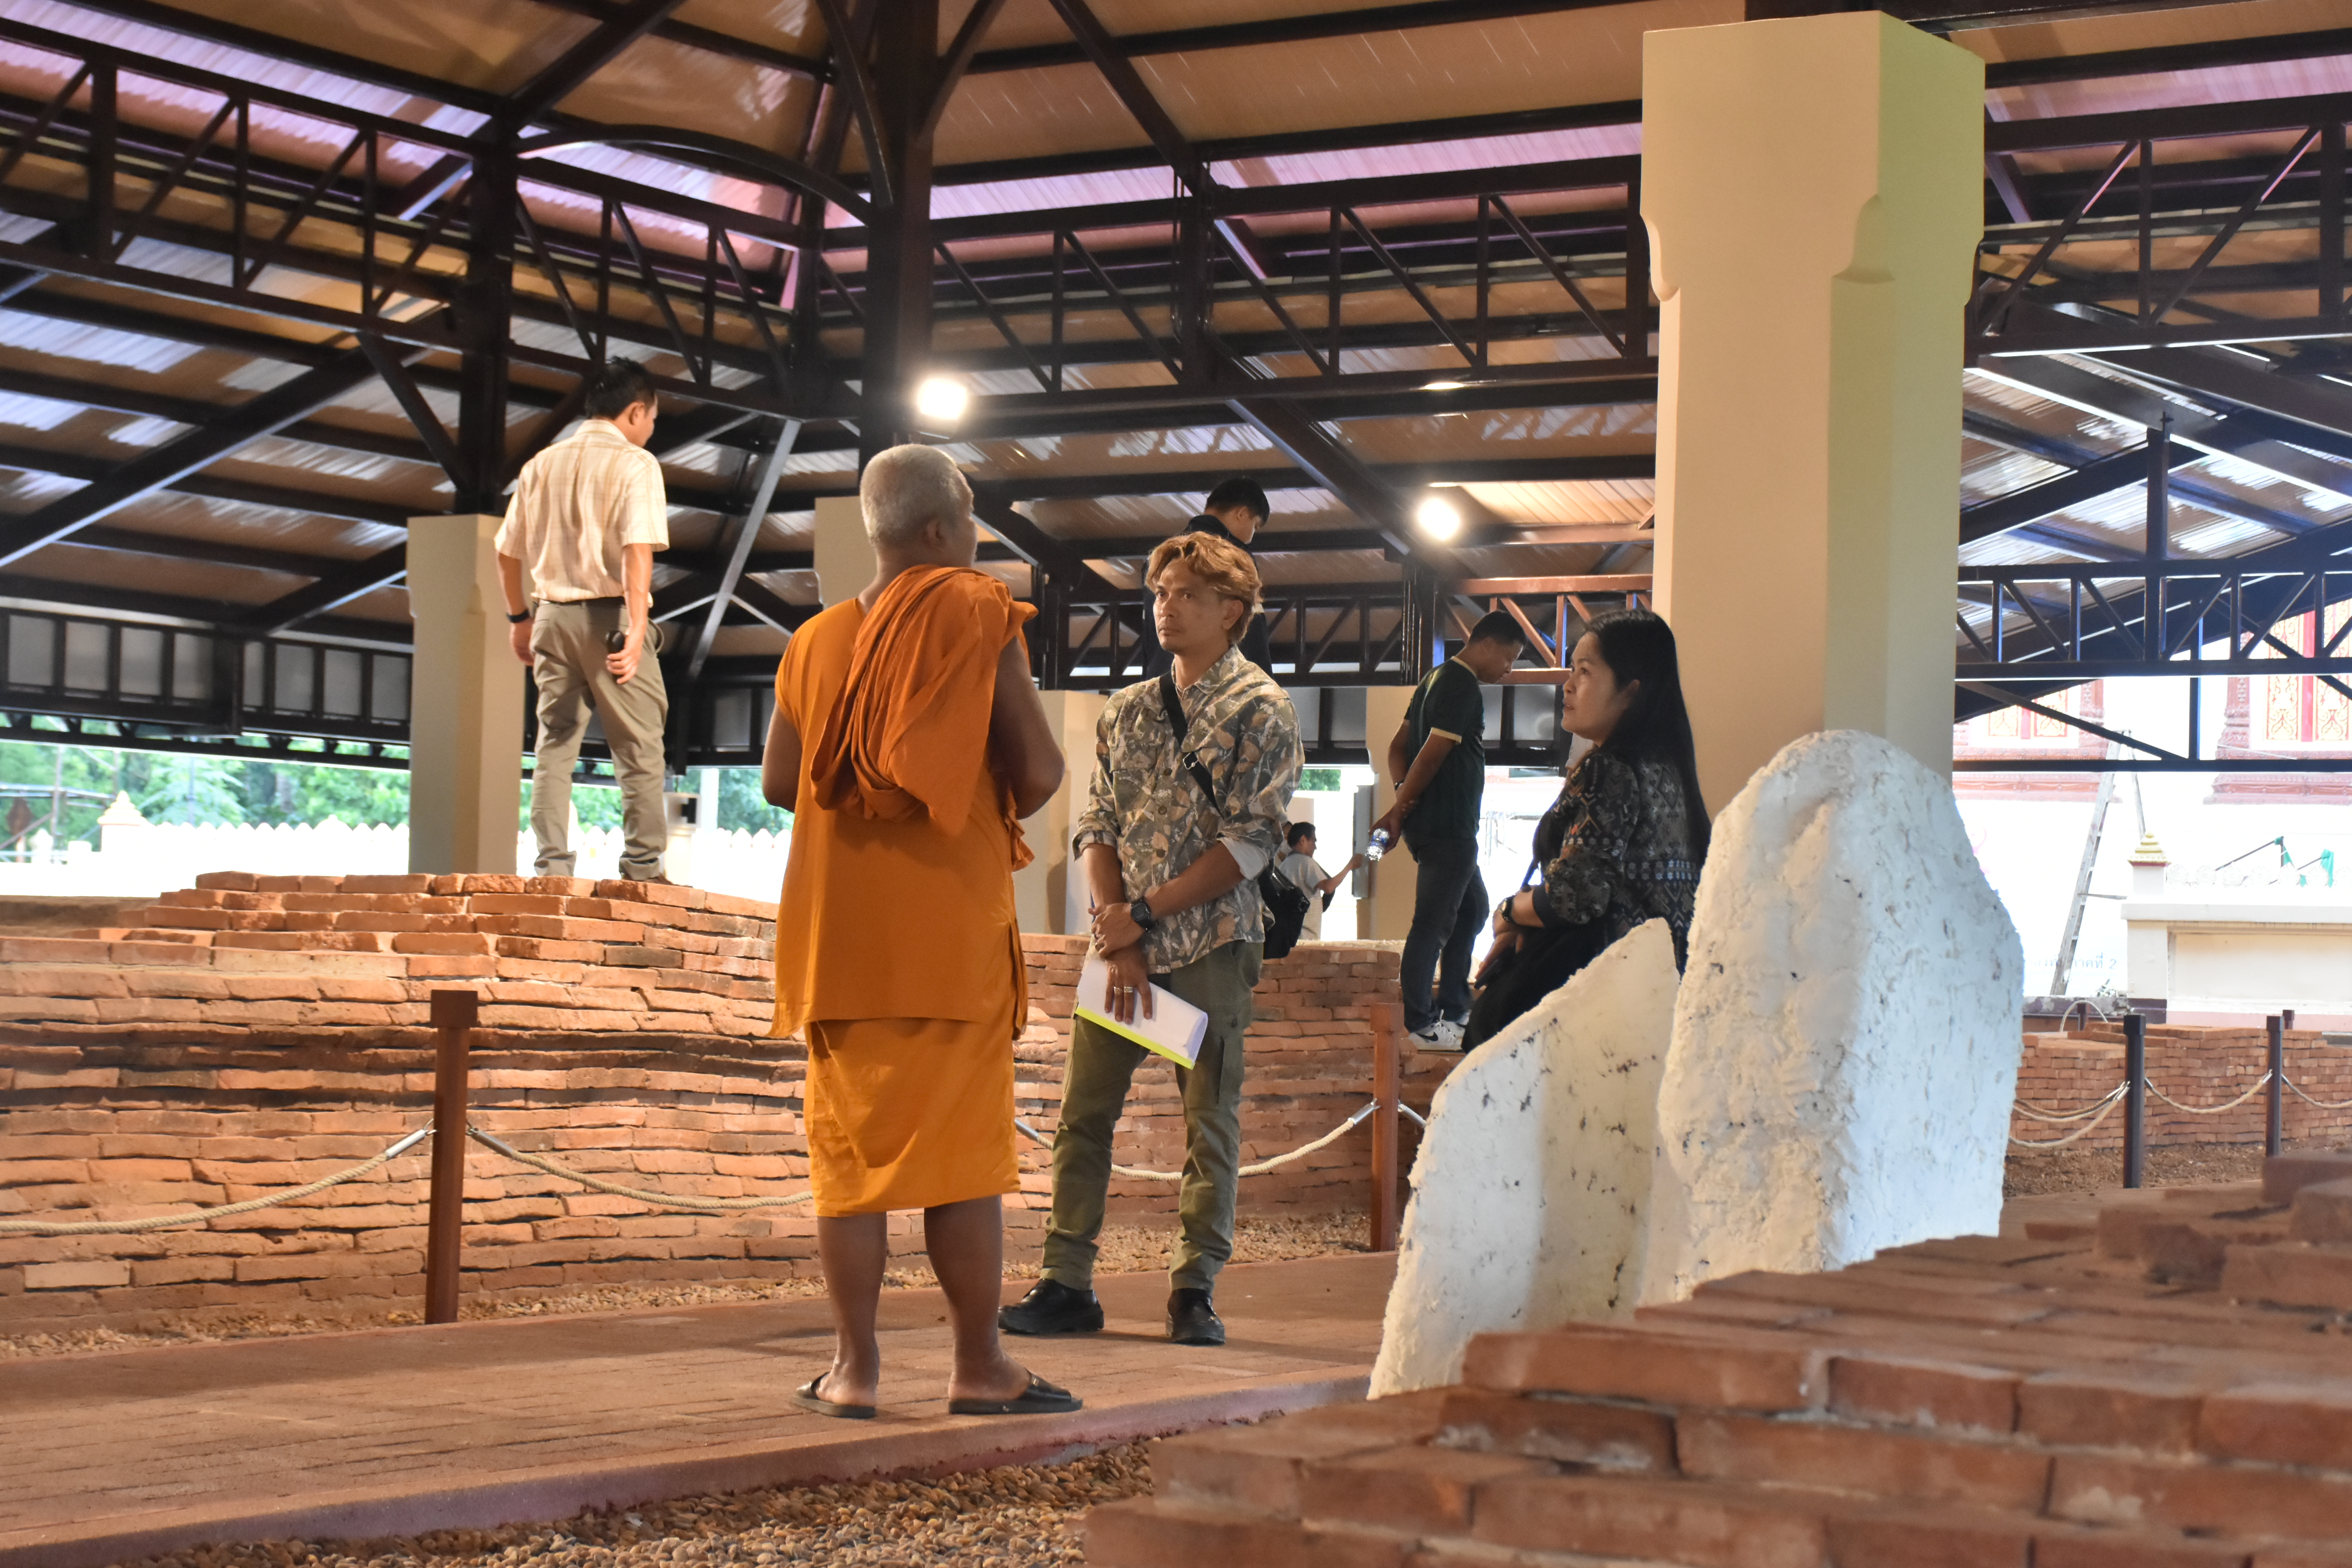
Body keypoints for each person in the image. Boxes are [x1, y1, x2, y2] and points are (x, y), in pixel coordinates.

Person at [760, 443, 1078, 1419]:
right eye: (972, 515)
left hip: (841, 945)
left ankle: (853, 1369)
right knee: (961, 1169)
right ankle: (979, 1364)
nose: (975, 534)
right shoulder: (978, 616)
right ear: (940, 528)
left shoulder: (811, 642)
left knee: (850, 1172)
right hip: (948, 941)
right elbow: (1039, 773)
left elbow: (781, 781)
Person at [1000, 530, 1301, 1348]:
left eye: (1188, 594)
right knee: (1082, 1116)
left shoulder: (1262, 709)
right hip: (1123, 947)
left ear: (1232, 611)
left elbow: (1250, 842)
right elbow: (1097, 822)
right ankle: (1067, 1280)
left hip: (1212, 945)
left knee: (1210, 1124)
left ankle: (1194, 1288)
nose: (1167, 606)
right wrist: (1117, 927)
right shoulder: (1127, 709)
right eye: (1162, 592)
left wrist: (1146, 913)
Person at [1465, 607, 1710, 1051]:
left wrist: (1508, 912)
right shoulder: (1671, 771)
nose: (1569, 684)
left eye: (1585, 671)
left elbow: (1574, 896)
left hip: (1602, 1006)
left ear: (1631, 692)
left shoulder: (1608, 770)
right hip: (1666, 1000)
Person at [496, 358, 675, 882]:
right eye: (652, 418)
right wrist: (638, 628)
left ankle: (551, 867)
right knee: (639, 747)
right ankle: (643, 869)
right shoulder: (636, 464)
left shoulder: (540, 465)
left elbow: (506, 552)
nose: (651, 428)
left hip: (550, 617)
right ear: (636, 411)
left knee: (554, 744)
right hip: (611, 620)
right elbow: (637, 550)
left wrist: (519, 618)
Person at [1367, 611, 1529, 1050]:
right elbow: (1432, 754)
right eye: (1510, 658)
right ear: (1488, 644)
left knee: (1474, 909)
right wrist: (1399, 807)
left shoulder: (1433, 679)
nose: (1508, 670)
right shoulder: (1461, 684)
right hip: (1448, 828)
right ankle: (1421, 1025)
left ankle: (1456, 1004)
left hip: (1437, 827)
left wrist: (1402, 795)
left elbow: (1398, 746)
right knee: (1433, 924)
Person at [1144, 477, 1274, 673]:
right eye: (1254, 527)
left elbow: (1149, 639)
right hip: (1218, 680)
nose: (1167, 610)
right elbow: (1251, 634)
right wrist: (1261, 682)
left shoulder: (1162, 558)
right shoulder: (1234, 558)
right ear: (1243, 514)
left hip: (1162, 677)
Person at [1279, 821, 1363, 942]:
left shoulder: (1285, 864)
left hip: (1290, 934)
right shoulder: (1306, 862)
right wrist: (1350, 866)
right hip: (1306, 936)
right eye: (1314, 841)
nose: (1315, 847)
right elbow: (1329, 888)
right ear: (1303, 840)